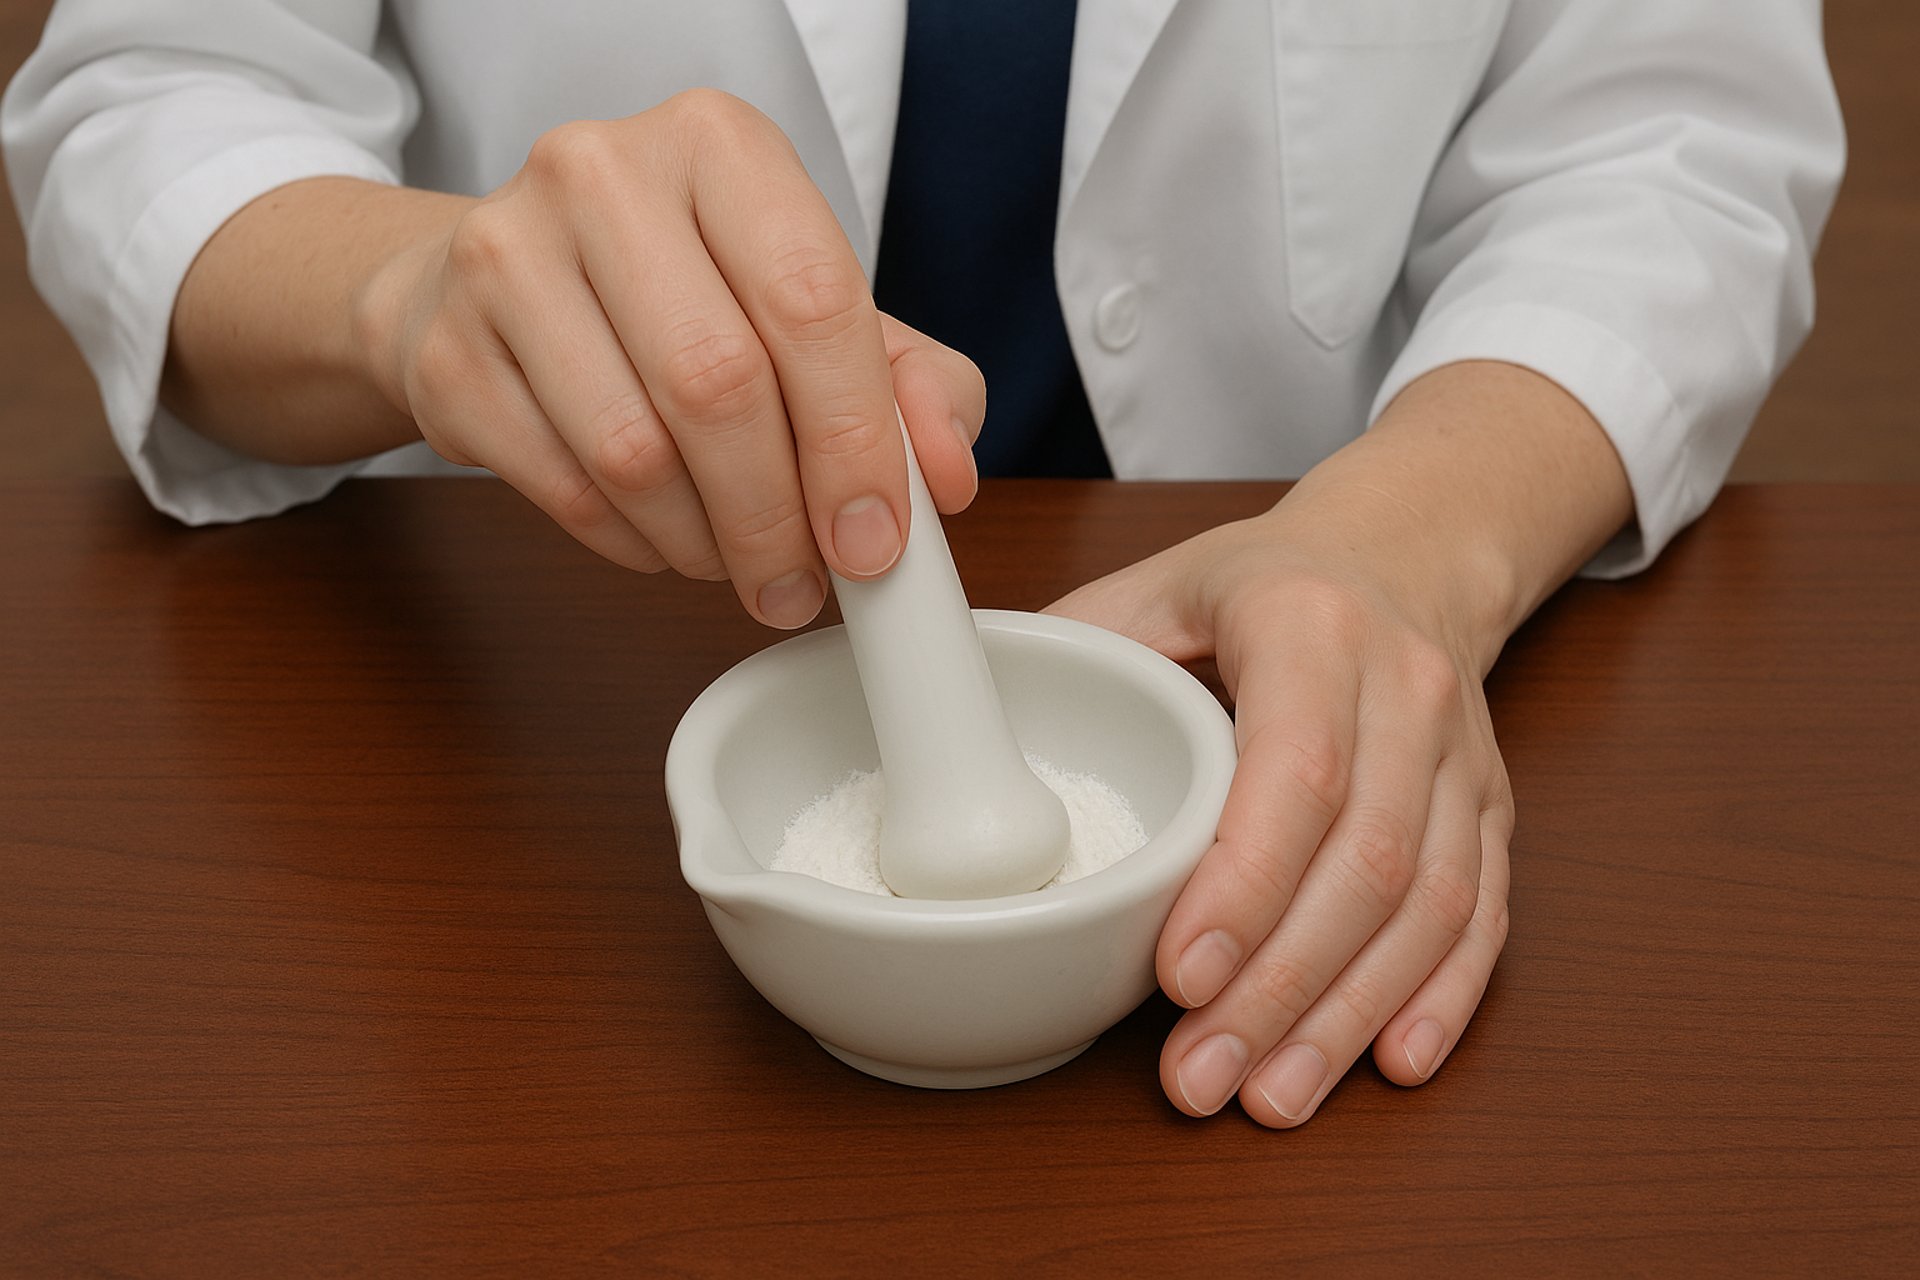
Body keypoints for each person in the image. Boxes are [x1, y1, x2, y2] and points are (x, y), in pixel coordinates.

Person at [2, 1, 1842, 1127]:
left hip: (1310, 552)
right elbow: (154, 91)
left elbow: (1664, 138)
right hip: (525, 702)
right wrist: (412, 290)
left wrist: (1416, 540)